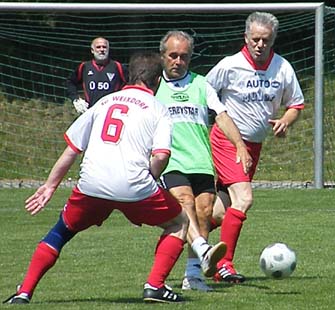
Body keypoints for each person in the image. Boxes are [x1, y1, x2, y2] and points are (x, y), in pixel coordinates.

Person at [3, 51, 225, 305]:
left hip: (92, 184)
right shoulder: (158, 109)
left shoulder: (104, 102)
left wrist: (50, 186)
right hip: (135, 185)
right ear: (157, 81)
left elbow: (72, 148)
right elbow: (162, 155)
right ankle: (155, 286)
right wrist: (149, 182)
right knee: (179, 222)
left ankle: (25, 292)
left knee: (61, 231)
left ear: (129, 76)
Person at [206, 11, 305, 283]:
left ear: (273, 40)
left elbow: (296, 103)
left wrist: (286, 119)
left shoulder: (282, 67)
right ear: (246, 38)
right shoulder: (230, 65)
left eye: (266, 40)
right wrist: (219, 112)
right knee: (244, 199)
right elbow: (205, 89)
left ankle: (191, 235)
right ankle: (223, 265)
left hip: (255, 146)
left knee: (218, 212)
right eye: (255, 39)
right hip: (228, 141)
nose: (260, 45)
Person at [156, 30, 251, 292]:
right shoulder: (153, 86)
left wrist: (239, 145)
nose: (178, 61)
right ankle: (203, 250)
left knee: (204, 212)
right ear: (163, 56)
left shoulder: (201, 84)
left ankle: (193, 275)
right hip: (171, 161)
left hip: (200, 160)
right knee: (184, 201)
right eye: (173, 56)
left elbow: (221, 116)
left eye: (184, 56)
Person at [66, 37, 127, 113]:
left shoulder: (118, 67)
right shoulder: (84, 67)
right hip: (90, 111)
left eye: (104, 47)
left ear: (108, 49)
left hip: (110, 112)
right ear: (92, 50)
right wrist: (75, 99)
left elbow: (129, 85)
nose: (101, 50)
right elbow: (70, 82)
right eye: (98, 47)